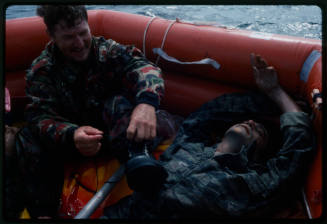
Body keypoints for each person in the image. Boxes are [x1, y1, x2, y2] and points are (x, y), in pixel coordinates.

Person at [101, 54, 315, 219]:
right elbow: (211, 112)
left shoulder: (252, 184)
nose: (251, 123)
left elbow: (298, 147)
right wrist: (266, 99)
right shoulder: (190, 143)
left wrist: (277, 93)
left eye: (259, 131)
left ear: (259, 155)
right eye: (250, 121)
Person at [5, 5, 170, 219]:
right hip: (72, 141)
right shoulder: (42, 71)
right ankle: (43, 211)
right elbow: (40, 118)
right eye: (69, 37)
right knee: (27, 139)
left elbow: (144, 67)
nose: (80, 43)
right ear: (52, 36)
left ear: (88, 26)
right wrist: (72, 134)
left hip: (113, 136)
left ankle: (141, 168)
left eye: (83, 33)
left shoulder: (107, 51)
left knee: (118, 103)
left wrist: (146, 103)